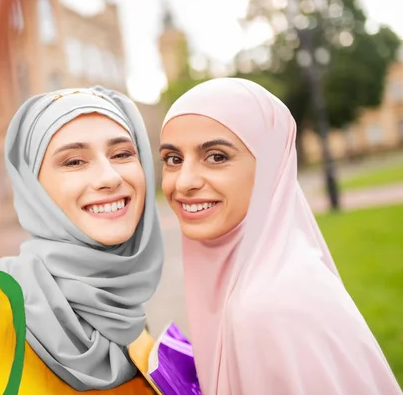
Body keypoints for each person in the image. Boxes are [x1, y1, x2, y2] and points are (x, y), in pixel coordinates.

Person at [159, 77, 401, 394]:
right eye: (173, 159)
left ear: (270, 166)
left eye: (216, 156)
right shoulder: (279, 270)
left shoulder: (269, 309)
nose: (184, 181)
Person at [0, 86, 164, 394]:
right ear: (32, 187)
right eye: (74, 161)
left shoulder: (125, 311)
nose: (110, 177)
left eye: (123, 154)